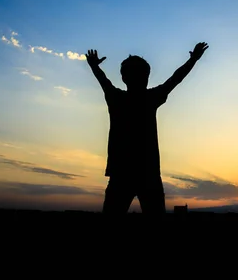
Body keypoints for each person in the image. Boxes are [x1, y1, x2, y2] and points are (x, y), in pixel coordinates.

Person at [86, 42, 209, 214]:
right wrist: (193, 59)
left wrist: (94, 67)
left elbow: (103, 80)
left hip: (122, 173)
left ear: (123, 77)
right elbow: (175, 78)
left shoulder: (117, 98)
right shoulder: (149, 98)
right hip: (147, 173)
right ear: (147, 76)